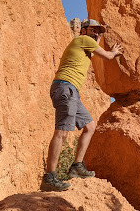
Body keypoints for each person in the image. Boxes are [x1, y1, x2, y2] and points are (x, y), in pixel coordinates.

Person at [40, 19, 123, 192]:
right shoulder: (82, 40)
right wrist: (114, 52)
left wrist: (98, 39)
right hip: (66, 87)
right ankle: (49, 177)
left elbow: (93, 53)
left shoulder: (86, 46)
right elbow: (107, 56)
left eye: (98, 32)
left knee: (90, 126)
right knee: (62, 132)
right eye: (94, 30)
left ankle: (77, 166)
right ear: (83, 30)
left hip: (72, 91)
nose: (96, 34)